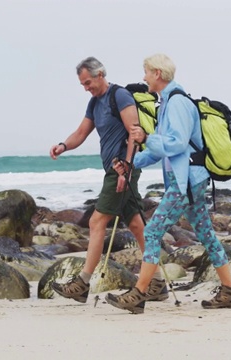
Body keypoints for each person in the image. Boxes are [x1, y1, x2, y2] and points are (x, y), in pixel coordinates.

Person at [105, 54, 231, 314]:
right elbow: (162, 148)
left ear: (157, 73)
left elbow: (177, 144)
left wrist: (146, 136)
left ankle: (140, 293)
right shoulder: (168, 102)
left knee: (152, 232)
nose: (143, 77)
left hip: (185, 182)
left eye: (145, 72)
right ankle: (230, 290)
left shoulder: (177, 102)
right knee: (205, 234)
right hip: (189, 180)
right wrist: (132, 163)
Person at [49, 56, 169, 304]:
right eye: (82, 84)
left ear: (100, 74)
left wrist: (125, 168)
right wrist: (63, 146)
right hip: (115, 171)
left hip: (121, 170)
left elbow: (134, 133)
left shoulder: (120, 96)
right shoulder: (94, 103)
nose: (86, 87)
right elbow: (81, 133)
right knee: (136, 225)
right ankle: (157, 282)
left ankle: (82, 283)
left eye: (88, 82)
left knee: (96, 221)